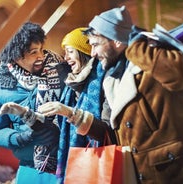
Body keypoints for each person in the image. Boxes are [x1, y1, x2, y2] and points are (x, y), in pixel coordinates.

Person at [44, 6, 183, 183]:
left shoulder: (149, 62)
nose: (93, 53)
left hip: (169, 172)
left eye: (95, 45)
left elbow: (180, 74)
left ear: (116, 42)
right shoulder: (111, 77)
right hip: (136, 172)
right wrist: (71, 114)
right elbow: (110, 132)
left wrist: (135, 44)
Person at [0, 22, 66, 182]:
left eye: (41, 49)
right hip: (29, 167)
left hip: (66, 161)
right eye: (33, 52)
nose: (41, 56)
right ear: (16, 55)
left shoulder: (60, 72)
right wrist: (19, 138)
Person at [38, 27, 116, 183]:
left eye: (70, 51)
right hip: (78, 163)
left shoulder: (104, 81)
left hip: (102, 161)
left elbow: (106, 131)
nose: (65, 58)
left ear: (83, 51)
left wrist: (70, 113)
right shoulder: (70, 85)